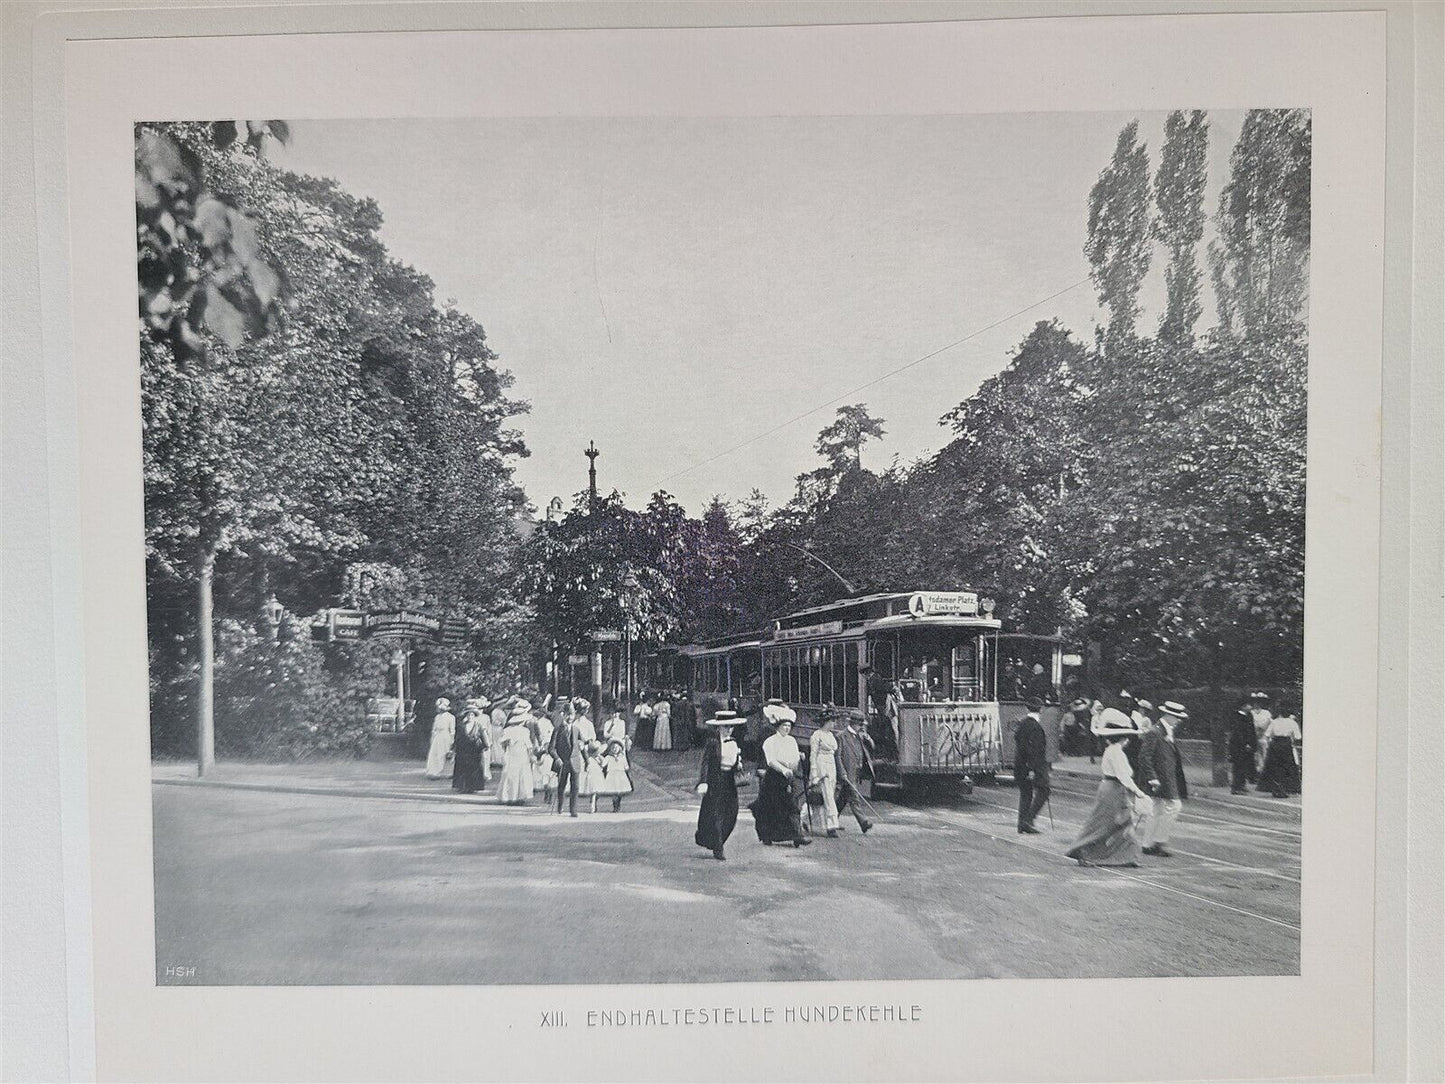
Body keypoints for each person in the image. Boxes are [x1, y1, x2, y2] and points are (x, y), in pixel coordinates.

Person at [1065, 714, 1151, 867]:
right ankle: (1089, 852)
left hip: (1111, 788)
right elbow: (1123, 776)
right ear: (1123, 738)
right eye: (1126, 736)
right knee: (1109, 823)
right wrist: (1139, 792)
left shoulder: (1111, 750)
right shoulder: (1117, 753)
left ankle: (1125, 856)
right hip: (1113, 789)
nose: (1128, 740)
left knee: (1119, 822)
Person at [1138, 700, 1190, 857]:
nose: (1178, 721)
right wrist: (1152, 777)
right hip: (1160, 779)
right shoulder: (1155, 731)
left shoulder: (1167, 731)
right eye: (1176, 717)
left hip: (1166, 778)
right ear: (1168, 715)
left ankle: (1148, 844)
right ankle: (1159, 841)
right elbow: (1144, 757)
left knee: (1157, 809)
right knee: (1174, 806)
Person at [749, 715, 810, 847]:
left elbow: (794, 757)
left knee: (792, 805)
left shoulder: (792, 740)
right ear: (778, 727)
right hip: (774, 777)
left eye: (789, 726)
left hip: (789, 777)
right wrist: (783, 770)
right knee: (772, 807)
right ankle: (767, 835)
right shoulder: (770, 741)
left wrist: (798, 759)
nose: (787, 728)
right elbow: (771, 760)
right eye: (784, 726)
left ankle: (797, 835)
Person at [695, 711, 746, 860]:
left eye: (731, 727)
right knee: (716, 814)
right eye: (726, 727)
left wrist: (738, 764)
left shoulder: (734, 742)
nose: (729, 729)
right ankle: (718, 848)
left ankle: (716, 841)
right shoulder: (713, 743)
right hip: (715, 780)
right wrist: (703, 781)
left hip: (729, 780)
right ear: (719, 727)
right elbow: (705, 763)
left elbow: (735, 762)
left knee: (732, 812)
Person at [1013, 696, 1051, 834]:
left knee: (1026, 794)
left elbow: (1020, 745)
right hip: (1033, 766)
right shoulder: (1036, 728)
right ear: (1040, 710)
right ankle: (1028, 820)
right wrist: (1031, 768)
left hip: (1020, 765)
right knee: (1044, 790)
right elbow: (1034, 750)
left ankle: (1022, 824)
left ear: (1027, 708)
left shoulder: (1022, 724)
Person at [835, 713, 875, 834]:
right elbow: (837, 756)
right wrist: (842, 772)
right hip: (847, 772)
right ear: (853, 724)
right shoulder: (841, 736)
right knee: (854, 797)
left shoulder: (860, 736)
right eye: (860, 725)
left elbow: (872, 748)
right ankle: (863, 822)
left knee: (843, 799)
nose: (862, 727)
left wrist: (868, 738)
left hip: (856, 772)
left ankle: (832, 820)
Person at [808, 712, 843, 838]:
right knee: (827, 796)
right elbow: (813, 755)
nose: (834, 723)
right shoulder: (817, 735)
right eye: (832, 721)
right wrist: (814, 773)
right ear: (826, 722)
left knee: (827, 796)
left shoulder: (831, 736)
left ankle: (804, 818)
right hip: (821, 765)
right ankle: (831, 825)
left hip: (831, 765)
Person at [546, 699, 583, 817]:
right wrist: (557, 758)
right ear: (563, 715)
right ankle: (560, 805)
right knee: (561, 785)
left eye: (572, 715)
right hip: (563, 763)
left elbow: (582, 744)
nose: (570, 717)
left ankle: (573, 810)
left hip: (575, 762)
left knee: (575, 787)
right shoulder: (557, 729)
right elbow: (551, 748)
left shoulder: (576, 730)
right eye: (568, 715)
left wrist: (585, 754)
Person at [1257, 704, 1302, 798]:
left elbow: (1267, 734)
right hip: (1286, 745)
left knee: (1274, 767)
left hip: (1275, 744)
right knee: (1286, 767)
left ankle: (1275, 788)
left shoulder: (1274, 722)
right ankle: (1285, 788)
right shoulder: (1292, 723)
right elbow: (1298, 736)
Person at [497, 700, 536, 805]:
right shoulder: (525, 731)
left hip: (511, 753)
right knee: (522, 775)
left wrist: (506, 749)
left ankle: (509, 796)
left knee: (510, 775)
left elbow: (502, 743)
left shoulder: (507, 730)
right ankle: (520, 797)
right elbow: (529, 746)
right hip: (522, 754)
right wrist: (531, 755)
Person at [451, 698, 487, 794]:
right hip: (463, 750)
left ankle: (473, 787)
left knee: (474, 767)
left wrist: (485, 746)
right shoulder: (462, 726)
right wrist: (453, 748)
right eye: (468, 715)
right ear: (466, 716)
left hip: (475, 750)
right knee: (463, 767)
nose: (470, 716)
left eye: (472, 715)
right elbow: (457, 738)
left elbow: (484, 736)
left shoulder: (479, 726)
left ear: (475, 716)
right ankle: (462, 786)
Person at [592, 738, 634, 813]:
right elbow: (603, 764)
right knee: (614, 792)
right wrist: (599, 758)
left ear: (619, 748)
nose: (614, 749)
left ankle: (618, 804)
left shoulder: (622, 757)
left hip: (620, 775)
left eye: (616, 747)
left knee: (620, 791)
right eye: (613, 748)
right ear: (610, 749)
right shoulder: (608, 757)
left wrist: (627, 770)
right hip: (612, 775)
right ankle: (615, 806)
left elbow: (626, 767)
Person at [1228, 703, 1259, 794]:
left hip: (1248, 745)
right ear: (1243, 706)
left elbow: (1251, 731)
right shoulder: (1237, 716)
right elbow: (1238, 732)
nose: (1251, 706)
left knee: (1245, 766)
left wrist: (1252, 743)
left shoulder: (1249, 715)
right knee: (1238, 766)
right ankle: (1235, 787)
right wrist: (1245, 743)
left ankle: (1242, 785)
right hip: (1238, 746)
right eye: (1249, 705)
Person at [531, 705, 557, 806]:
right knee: (546, 773)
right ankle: (547, 791)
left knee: (542, 772)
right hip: (546, 749)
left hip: (543, 749)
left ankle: (546, 791)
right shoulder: (548, 723)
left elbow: (540, 737)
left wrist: (542, 746)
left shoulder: (538, 723)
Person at [425, 698, 455, 779]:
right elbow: (434, 728)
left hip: (445, 736)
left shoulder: (451, 717)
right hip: (437, 736)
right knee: (434, 754)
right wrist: (432, 738)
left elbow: (452, 730)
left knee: (443, 754)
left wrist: (452, 741)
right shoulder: (437, 717)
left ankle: (445, 772)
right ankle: (433, 771)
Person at [1248, 691, 1274, 774]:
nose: (1257, 704)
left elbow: (1270, 723)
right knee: (1255, 755)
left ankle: (1265, 771)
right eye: (1255, 702)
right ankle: (1256, 771)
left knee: (1265, 753)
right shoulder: (1250, 713)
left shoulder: (1266, 713)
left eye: (1259, 702)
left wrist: (1262, 728)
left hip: (1264, 736)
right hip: (1254, 736)